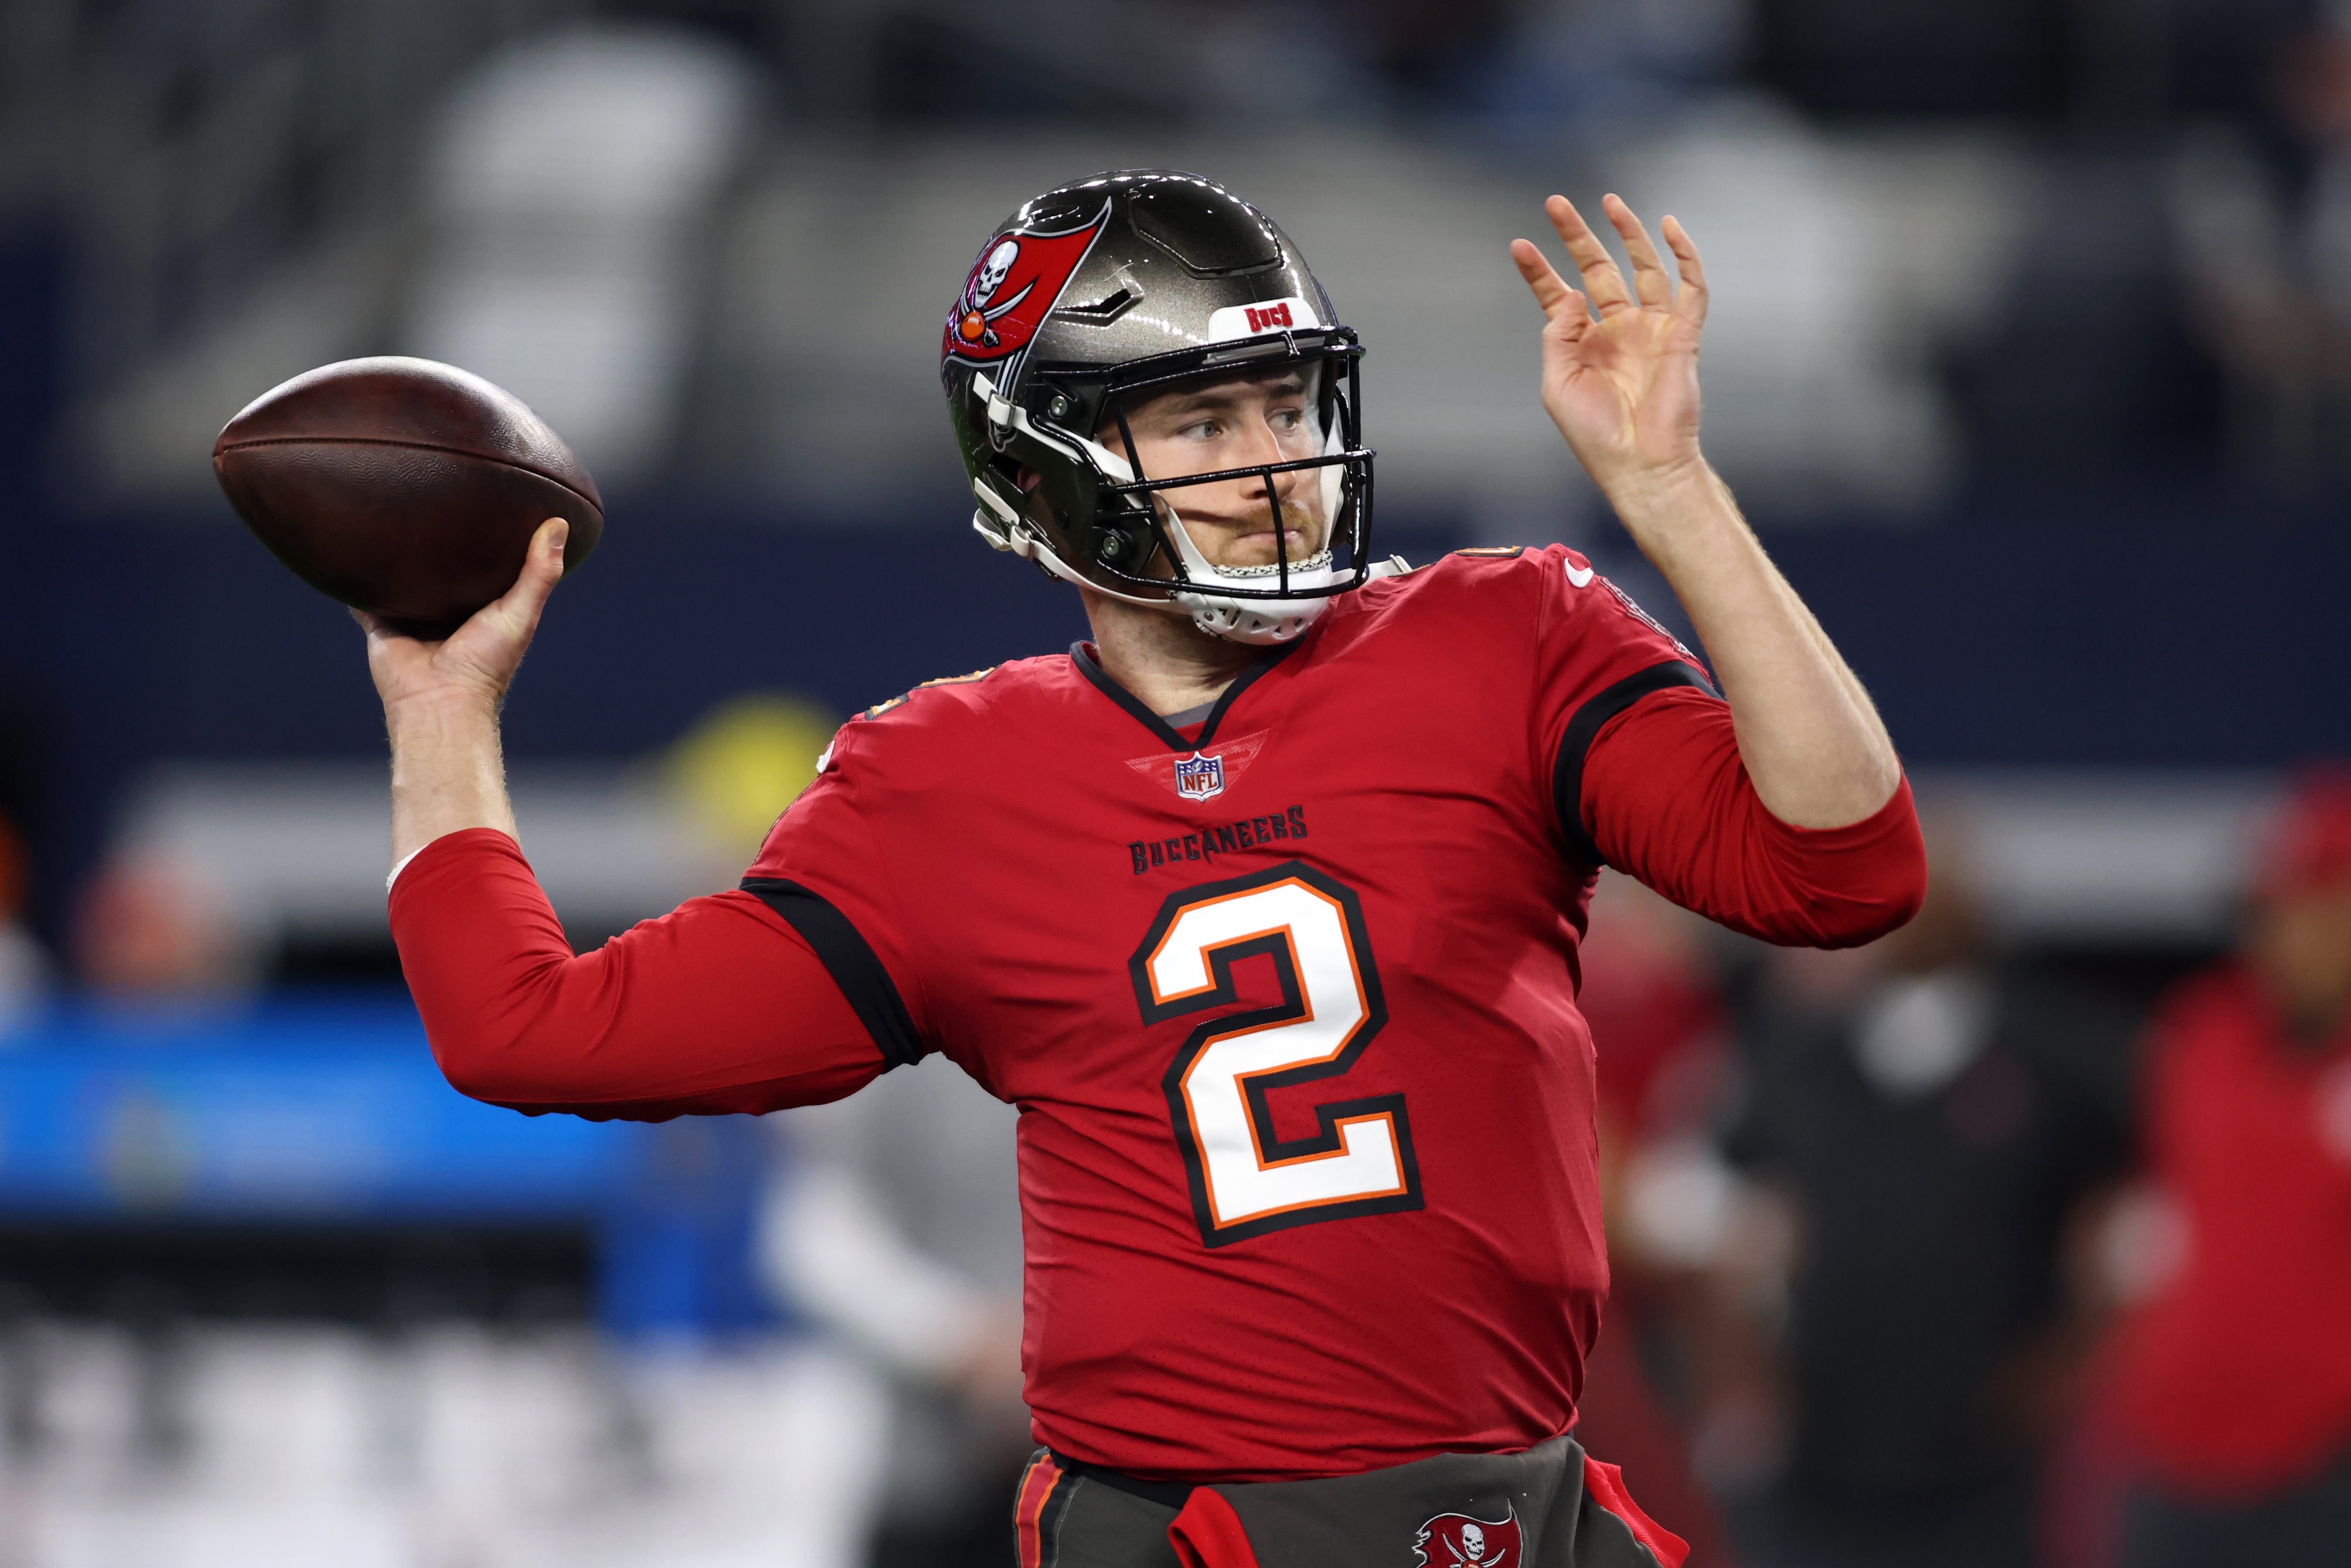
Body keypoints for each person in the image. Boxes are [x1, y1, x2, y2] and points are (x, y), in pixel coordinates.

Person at [369, 171, 1927, 1567]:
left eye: (1289, 405)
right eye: (1201, 420)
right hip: (1195, 1528)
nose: (1273, 468)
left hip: (1514, 1508)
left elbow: (1841, 868)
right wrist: (443, 713)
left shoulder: (1502, 634)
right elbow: (526, 1025)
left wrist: (1668, 491)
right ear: (1039, 475)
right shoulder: (943, 780)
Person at [1718, 818, 2135, 1568]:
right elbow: (1736, 1226)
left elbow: (2125, 1224)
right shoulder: (1802, 1066)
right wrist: (1748, 1374)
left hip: (1990, 1463)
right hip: (1827, 1455)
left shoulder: (2055, 1061)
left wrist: (2073, 1361)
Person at [2105, 767, 2351, 1565]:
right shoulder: (2205, 1031)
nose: (2283, 934)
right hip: (2175, 1447)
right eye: (2273, 910)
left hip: (2323, 1457)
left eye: (2314, 908)